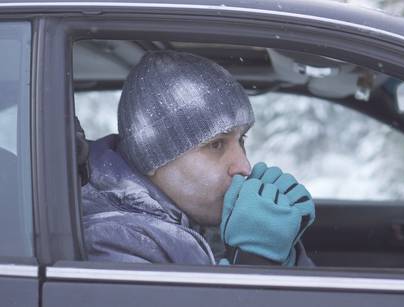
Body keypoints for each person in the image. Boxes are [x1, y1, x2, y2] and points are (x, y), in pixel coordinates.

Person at [81, 51, 315, 266]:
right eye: (215, 144)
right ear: (150, 157)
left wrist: (283, 251)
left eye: (241, 140)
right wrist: (255, 261)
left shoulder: (194, 219)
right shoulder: (114, 242)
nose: (244, 166)